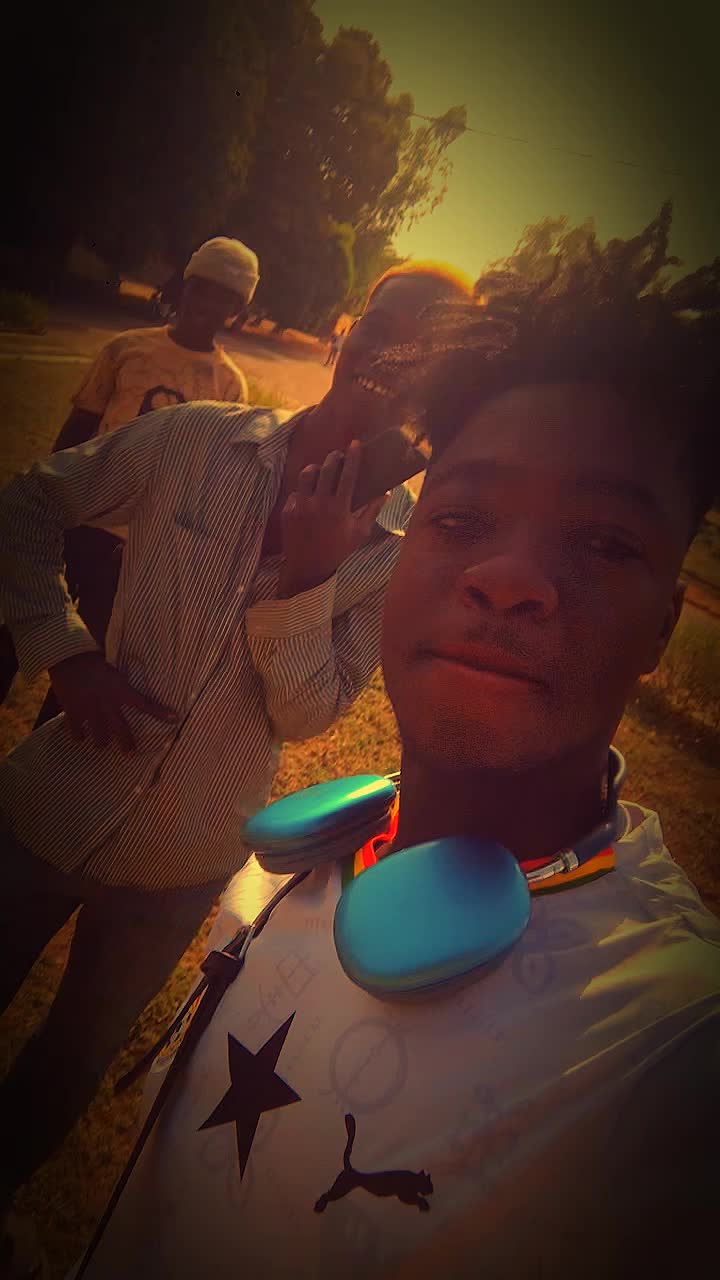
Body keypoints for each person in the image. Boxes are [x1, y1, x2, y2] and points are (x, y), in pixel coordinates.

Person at [71, 214, 719, 1279]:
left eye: (605, 542)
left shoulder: (670, 1051)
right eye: (460, 521)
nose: (508, 578)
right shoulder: (289, 868)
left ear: (663, 627)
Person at [0, 263, 473, 1271]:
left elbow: (307, 713)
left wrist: (309, 575)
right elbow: (28, 505)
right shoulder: (195, 438)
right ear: (346, 331)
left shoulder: (397, 553)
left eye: (426, 352)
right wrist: (63, 651)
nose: (392, 358)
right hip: (44, 806)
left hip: (181, 861)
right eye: (384, 326)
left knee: (68, 1063)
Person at [0, 235, 257, 721]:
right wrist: (50, 506)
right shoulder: (126, 350)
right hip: (74, 522)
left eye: (223, 298)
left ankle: (45, 757)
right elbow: (75, 434)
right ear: (183, 286)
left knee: (87, 665)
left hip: (134, 551)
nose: (205, 303)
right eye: (200, 288)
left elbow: (205, 477)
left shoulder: (228, 386)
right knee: (17, 627)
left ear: (237, 311)